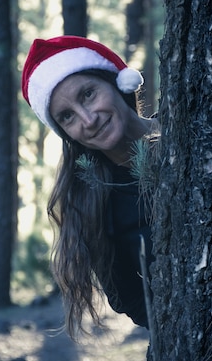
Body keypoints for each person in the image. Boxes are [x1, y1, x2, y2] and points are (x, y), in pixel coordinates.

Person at [20, 35, 157, 339]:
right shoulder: (92, 199)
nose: (88, 119)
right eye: (66, 116)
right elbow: (128, 299)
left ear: (115, 82)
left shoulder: (193, 136)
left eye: (88, 94)